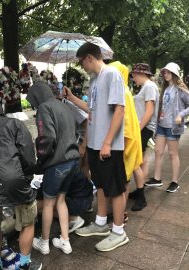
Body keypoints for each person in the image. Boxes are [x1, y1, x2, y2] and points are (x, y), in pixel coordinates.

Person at [63, 42, 129, 252]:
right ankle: (100, 223)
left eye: (82, 62)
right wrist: (72, 98)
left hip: (108, 145)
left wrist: (108, 141)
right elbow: (91, 110)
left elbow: (119, 110)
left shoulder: (112, 75)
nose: (82, 67)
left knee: (115, 188)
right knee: (100, 184)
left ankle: (119, 232)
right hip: (95, 143)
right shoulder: (94, 80)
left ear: (89, 57)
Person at [0, 95, 41, 270]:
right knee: (27, 222)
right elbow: (28, 156)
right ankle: (25, 264)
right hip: (15, 179)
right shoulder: (14, 124)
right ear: (0, 108)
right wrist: (26, 176)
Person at [27, 81, 80, 255]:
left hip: (57, 163)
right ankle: (65, 240)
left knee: (48, 204)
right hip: (73, 160)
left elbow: (46, 138)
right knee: (61, 200)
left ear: (36, 96)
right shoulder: (63, 106)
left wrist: (40, 161)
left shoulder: (44, 108)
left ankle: (44, 243)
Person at [109, 61, 145, 211]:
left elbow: (126, 123)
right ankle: (121, 214)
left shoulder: (122, 93)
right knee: (128, 175)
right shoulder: (125, 91)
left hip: (125, 143)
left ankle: (120, 216)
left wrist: (116, 147)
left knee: (123, 181)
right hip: (129, 140)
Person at [148, 62, 189, 192]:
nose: (165, 74)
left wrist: (181, 115)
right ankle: (157, 179)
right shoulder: (165, 89)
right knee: (158, 151)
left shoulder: (181, 90)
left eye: (168, 72)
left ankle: (174, 182)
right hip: (161, 125)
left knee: (172, 154)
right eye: (164, 72)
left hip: (172, 127)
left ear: (174, 73)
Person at [130, 64, 159, 190]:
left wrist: (138, 129)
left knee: (139, 161)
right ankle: (139, 190)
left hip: (145, 128)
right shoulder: (146, 87)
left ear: (141, 74)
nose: (133, 78)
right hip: (144, 128)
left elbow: (149, 111)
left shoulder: (149, 87)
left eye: (134, 75)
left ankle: (140, 191)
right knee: (142, 161)